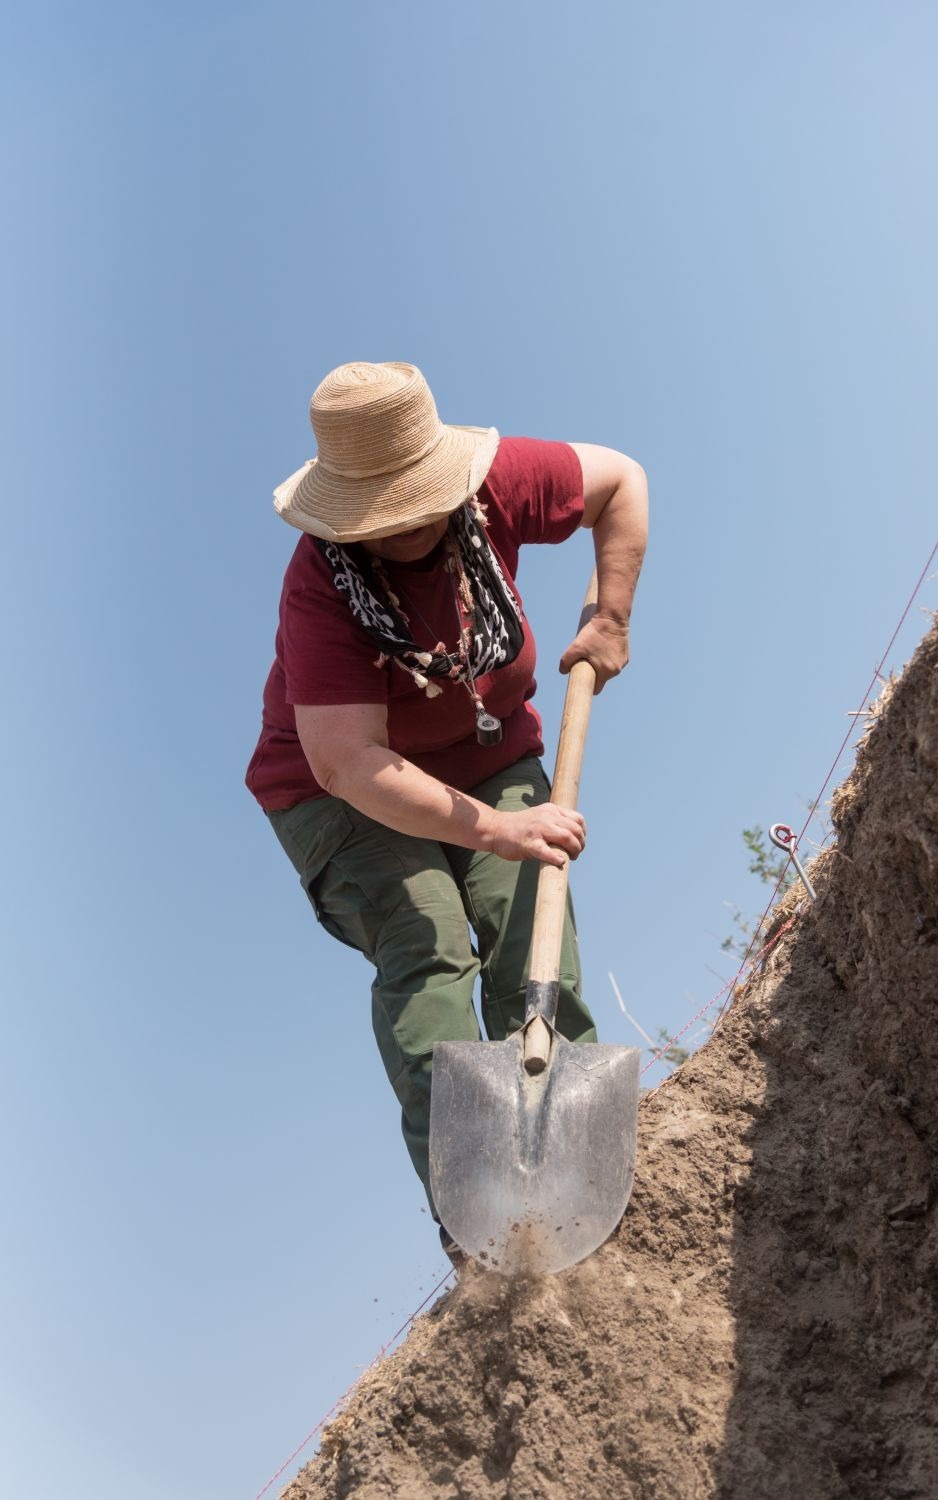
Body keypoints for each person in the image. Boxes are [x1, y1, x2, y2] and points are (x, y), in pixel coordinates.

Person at [246, 361, 648, 1260]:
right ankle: (476, 1218)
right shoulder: (321, 587)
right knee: (429, 937)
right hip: (336, 790)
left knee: (523, 923)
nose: (406, 524)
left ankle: (573, 1182)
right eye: (380, 515)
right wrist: (493, 827)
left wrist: (611, 614)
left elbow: (620, 480)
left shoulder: (497, 485)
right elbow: (349, 761)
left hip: (490, 749)